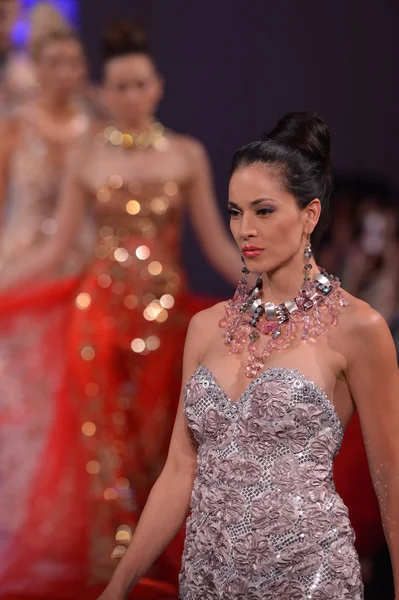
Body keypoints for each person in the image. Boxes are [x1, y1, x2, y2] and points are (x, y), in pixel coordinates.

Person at [98, 111, 399, 600]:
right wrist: (116, 588)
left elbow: (394, 486)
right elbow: (179, 471)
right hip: (206, 578)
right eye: (235, 212)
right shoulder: (205, 327)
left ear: (310, 215)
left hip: (310, 577)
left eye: (263, 211)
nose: (244, 230)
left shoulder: (358, 328)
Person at [0, 20, 242, 595]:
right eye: (120, 87)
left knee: (161, 440)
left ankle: (154, 563)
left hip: (167, 321)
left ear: (157, 86)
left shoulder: (186, 154)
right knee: (102, 443)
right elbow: (56, 250)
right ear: (105, 93)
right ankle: (112, 571)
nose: (131, 96)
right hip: (98, 315)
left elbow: (216, 243)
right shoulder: (86, 156)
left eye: (140, 85)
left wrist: (286, 287)